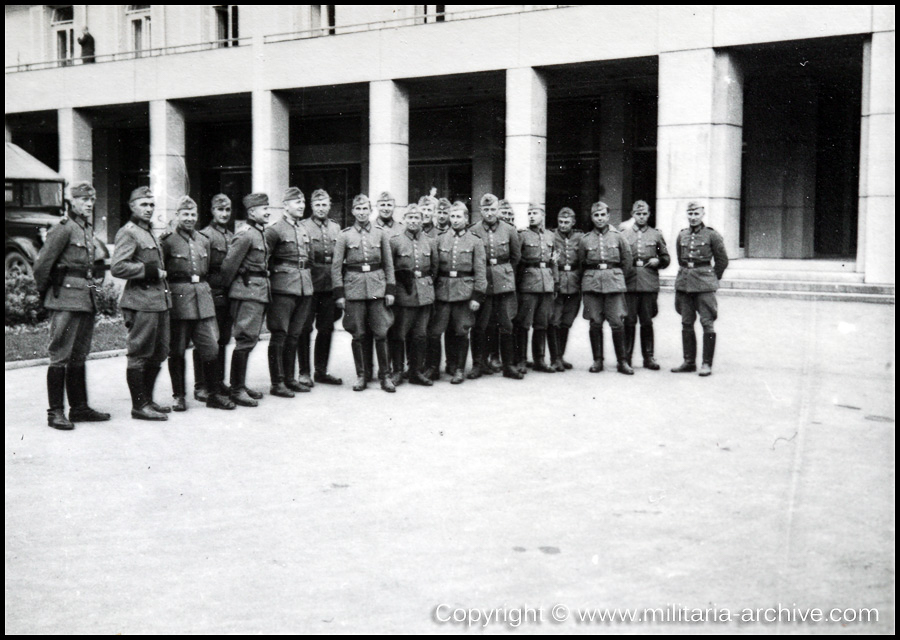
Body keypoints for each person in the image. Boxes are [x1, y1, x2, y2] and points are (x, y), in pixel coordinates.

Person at [32, 181, 110, 429]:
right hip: (64, 298)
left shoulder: (85, 229)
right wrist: (47, 294)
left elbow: (91, 269)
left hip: (85, 298)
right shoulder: (63, 229)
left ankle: (79, 408)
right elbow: (42, 265)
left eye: (91, 200)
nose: (88, 204)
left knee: (79, 354)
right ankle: (55, 412)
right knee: (60, 355)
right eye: (83, 199)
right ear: (71, 202)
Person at [161, 196, 233, 411]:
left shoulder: (203, 240)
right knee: (178, 350)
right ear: (177, 216)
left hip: (203, 298)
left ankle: (213, 394)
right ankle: (179, 396)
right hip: (180, 300)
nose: (190, 218)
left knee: (210, 347)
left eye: (193, 214)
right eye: (185, 214)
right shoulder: (167, 241)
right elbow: (163, 274)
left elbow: (208, 270)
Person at [111, 186, 173, 420]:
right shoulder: (129, 232)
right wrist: (149, 271)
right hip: (141, 302)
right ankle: (139, 405)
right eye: (143, 205)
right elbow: (118, 266)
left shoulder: (148, 232)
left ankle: (147, 400)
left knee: (159, 352)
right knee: (139, 353)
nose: (148, 209)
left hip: (159, 302)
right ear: (132, 206)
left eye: (151, 205)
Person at [332, 194, 397, 392]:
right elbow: (336, 267)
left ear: (371, 211)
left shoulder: (381, 233)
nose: (361, 212)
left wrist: (390, 289)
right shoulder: (344, 235)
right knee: (358, 334)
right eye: (358, 209)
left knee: (381, 332)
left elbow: (388, 264)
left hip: (377, 287)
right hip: (354, 289)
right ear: (353, 211)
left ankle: (385, 376)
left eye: (365, 209)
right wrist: (340, 294)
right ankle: (362, 374)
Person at [218, 193, 271, 406]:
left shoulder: (260, 233)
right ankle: (237, 389)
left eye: (267, 208)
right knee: (245, 339)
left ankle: (239, 384)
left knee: (250, 339)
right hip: (247, 292)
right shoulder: (246, 235)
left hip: (257, 292)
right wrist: (235, 289)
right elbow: (228, 267)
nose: (267, 211)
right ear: (251, 212)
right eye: (263, 208)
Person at [264, 187, 315, 397]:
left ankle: (290, 378)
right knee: (279, 334)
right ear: (285, 206)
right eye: (297, 202)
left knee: (294, 335)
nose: (301, 205)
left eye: (303, 202)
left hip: (304, 287)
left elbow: (308, 257)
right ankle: (277, 382)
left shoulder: (303, 228)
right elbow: (264, 259)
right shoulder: (274, 230)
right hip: (283, 288)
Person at [430, 201, 486, 384]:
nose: (454, 220)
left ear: (466, 218)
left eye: (458, 216)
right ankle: (435, 368)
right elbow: (435, 268)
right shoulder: (440, 239)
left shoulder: (475, 241)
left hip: (464, 292)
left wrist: (477, 295)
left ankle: (459, 369)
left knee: (461, 331)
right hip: (443, 292)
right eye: (452, 216)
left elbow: (480, 271)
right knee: (437, 330)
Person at [671, 201, 729, 376]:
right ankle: (689, 362)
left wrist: (711, 278)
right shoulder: (682, 235)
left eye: (696, 214)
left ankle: (706, 363)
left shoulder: (712, 235)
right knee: (686, 322)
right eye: (690, 214)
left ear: (702, 214)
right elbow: (681, 259)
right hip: (685, 284)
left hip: (704, 285)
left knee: (707, 323)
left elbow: (722, 260)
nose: (693, 217)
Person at [577, 201, 635, 375]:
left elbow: (627, 262)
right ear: (592, 217)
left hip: (614, 283)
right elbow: (581, 263)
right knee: (595, 322)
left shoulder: (619, 237)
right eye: (596, 215)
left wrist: (616, 277)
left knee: (617, 322)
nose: (600, 218)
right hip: (592, 284)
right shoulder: (585, 239)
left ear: (608, 216)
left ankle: (622, 361)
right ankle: (597, 360)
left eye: (603, 215)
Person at [468, 193, 522, 380]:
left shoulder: (509, 230)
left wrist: (504, 273)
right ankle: (478, 364)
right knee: (480, 325)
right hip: (483, 283)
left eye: (493, 209)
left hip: (504, 284)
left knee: (506, 324)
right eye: (486, 209)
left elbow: (515, 257)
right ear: (480, 210)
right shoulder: (473, 230)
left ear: (498, 210)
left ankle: (508, 365)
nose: (490, 213)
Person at [388, 204, 439, 386]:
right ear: (404, 219)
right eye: (410, 218)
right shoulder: (395, 241)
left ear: (421, 219)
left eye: (417, 218)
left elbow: (435, 269)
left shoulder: (430, 241)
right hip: (404, 294)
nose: (413, 221)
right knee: (399, 334)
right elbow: (390, 268)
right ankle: (398, 371)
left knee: (420, 335)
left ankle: (416, 371)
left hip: (424, 294)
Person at [300, 189, 343, 385]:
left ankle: (321, 371)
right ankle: (304, 372)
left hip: (329, 287)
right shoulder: (303, 227)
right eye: (317, 205)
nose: (321, 208)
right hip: (310, 286)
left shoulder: (336, 228)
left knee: (326, 329)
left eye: (324, 205)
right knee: (305, 328)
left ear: (329, 206)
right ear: (311, 206)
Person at [194, 194, 234, 401]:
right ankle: (201, 385)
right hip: (210, 293)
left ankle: (218, 381)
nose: (224, 214)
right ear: (212, 211)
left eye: (227, 210)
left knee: (224, 339)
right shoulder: (205, 236)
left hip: (227, 294)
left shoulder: (231, 235)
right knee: (207, 340)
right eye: (220, 210)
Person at [621, 200, 670, 370]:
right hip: (630, 282)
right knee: (629, 321)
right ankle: (626, 357)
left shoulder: (656, 234)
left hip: (649, 283)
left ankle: (648, 357)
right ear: (633, 215)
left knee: (647, 321)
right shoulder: (624, 235)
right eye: (638, 214)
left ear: (649, 214)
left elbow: (666, 258)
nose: (641, 217)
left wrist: (659, 261)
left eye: (644, 214)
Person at [514, 204, 559, 374]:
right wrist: (518, 286)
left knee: (542, 324)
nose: (532, 216)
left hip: (546, 284)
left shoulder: (550, 236)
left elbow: (554, 261)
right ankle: (521, 360)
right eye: (529, 213)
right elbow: (517, 262)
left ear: (543, 215)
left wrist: (555, 282)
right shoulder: (522, 235)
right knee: (524, 324)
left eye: (535, 213)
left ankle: (539, 359)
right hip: (528, 284)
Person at [549, 207, 583, 372]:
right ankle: (555, 358)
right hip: (558, 283)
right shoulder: (552, 237)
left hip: (574, 284)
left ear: (573, 222)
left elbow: (583, 260)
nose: (563, 225)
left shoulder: (580, 238)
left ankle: (560, 356)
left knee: (566, 322)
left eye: (566, 222)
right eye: (561, 222)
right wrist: (554, 282)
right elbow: (552, 261)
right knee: (555, 322)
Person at [423, 197, 454, 379]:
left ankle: (451, 363)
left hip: (448, 285)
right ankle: (431, 365)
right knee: (431, 329)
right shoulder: (430, 234)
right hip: (433, 285)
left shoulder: (449, 233)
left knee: (450, 327)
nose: (442, 216)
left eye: (445, 212)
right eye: (439, 212)